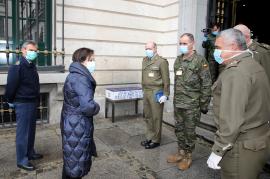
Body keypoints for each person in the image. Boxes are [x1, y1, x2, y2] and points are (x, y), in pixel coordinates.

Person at [206, 28, 270, 179]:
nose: (216, 52)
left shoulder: (236, 72)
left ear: (233, 46)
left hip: (240, 147)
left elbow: (231, 119)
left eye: (218, 47)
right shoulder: (252, 64)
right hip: (258, 141)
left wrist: (218, 149)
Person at [167, 33, 212, 170]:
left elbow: (206, 84)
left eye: (185, 43)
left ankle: (188, 156)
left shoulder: (200, 61)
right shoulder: (178, 60)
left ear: (192, 43)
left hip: (192, 105)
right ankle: (181, 152)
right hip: (178, 103)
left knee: (189, 132)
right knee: (179, 129)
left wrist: (204, 104)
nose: (182, 46)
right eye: (180, 43)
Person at [61, 48, 100, 179]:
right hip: (77, 123)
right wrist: (97, 106)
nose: (93, 62)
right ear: (82, 60)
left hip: (71, 121)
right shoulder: (81, 78)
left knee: (71, 160)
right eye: (91, 60)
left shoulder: (74, 74)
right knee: (76, 161)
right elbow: (88, 107)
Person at [4, 40, 43, 171]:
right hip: (23, 103)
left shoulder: (31, 65)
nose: (34, 53)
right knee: (23, 133)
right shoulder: (17, 66)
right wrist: (9, 100)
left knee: (31, 131)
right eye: (31, 50)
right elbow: (11, 86)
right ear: (23, 50)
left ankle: (30, 152)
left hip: (32, 102)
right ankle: (22, 160)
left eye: (35, 51)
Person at [141, 41, 170, 149]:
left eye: (149, 48)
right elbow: (143, 76)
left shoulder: (161, 62)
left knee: (156, 117)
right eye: (146, 49)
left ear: (155, 49)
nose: (147, 51)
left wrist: (166, 94)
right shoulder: (144, 60)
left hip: (156, 92)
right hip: (147, 91)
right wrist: (143, 88)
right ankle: (149, 136)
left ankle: (156, 139)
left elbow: (166, 80)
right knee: (148, 116)